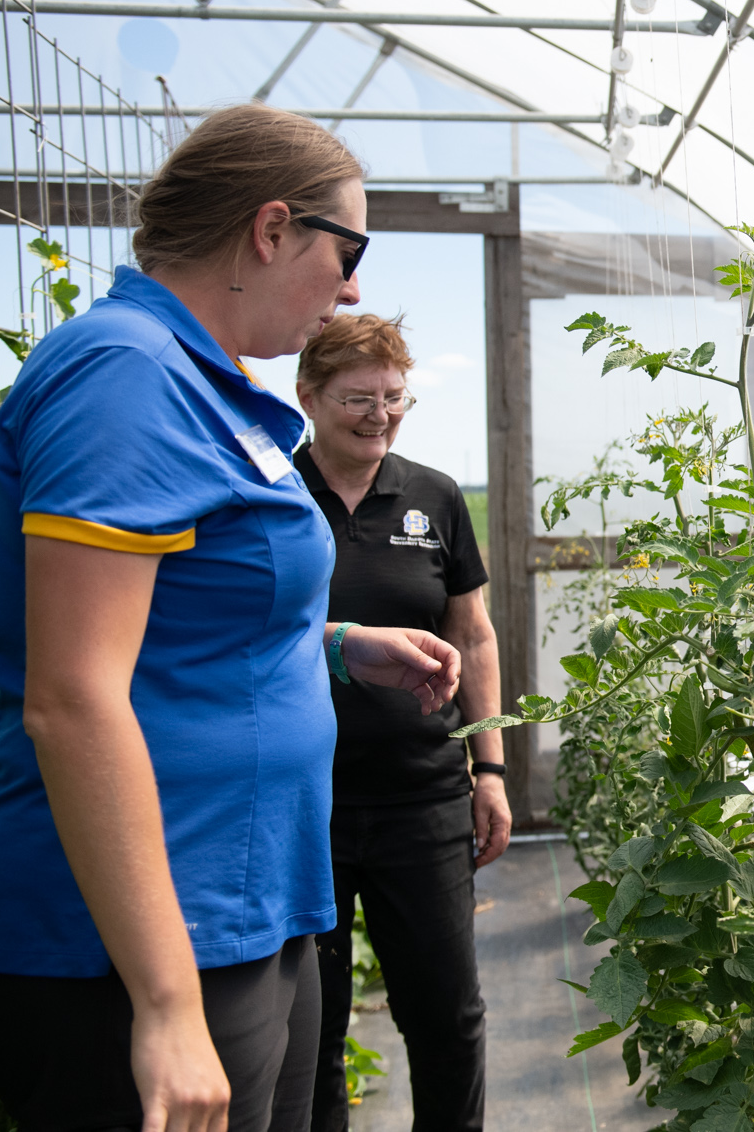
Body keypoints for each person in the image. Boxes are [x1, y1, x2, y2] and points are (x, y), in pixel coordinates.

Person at [0, 104, 461, 1132]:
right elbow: (74, 695)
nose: (351, 286)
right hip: (133, 948)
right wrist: (168, 1006)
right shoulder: (127, 373)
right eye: (345, 249)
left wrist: (343, 648)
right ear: (271, 230)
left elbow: (186, 618)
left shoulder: (201, 384)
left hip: (243, 909)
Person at [294, 314, 509, 1132]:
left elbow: (473, 632)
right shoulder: (276, 496)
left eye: (394, 396)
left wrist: (487, 769)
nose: (379, 414)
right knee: (312, 1026)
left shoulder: (433, 498)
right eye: (358, 397)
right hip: (305, 803)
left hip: (422, 797)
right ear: (309, 396)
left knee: (446, 1013)